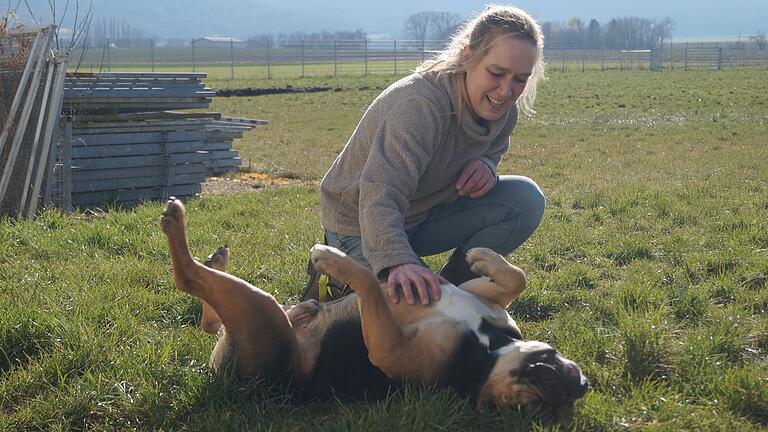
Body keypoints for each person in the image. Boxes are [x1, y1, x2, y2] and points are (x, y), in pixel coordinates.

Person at [304, 5, 546, 306]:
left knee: (525, 200)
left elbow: (494, 147)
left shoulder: (503, 110)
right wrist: (397, 261)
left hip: (422, 214)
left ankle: (459, 295)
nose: (506, 90)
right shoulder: (419, 105)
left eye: (520, 79)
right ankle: (336, 283)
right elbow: (380, 192)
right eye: (496, 73)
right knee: (419, 317)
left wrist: (486, 165)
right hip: (361, 224)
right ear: (468, 56)